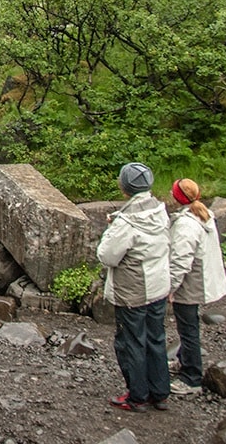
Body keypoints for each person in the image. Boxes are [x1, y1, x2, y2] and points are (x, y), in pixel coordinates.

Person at [96, 162, 172, 413]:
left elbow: (107, 256)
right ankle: (159, 393)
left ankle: (137, 395)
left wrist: (110, 230)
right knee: (156, 338)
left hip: (133, 291)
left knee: (131, 342)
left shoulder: (126, 223)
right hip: (159, 285)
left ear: (124, 188)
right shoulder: (161, 211)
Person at [167, 178, 226, 397]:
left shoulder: (186, 224)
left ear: (178, 197)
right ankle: (184, 361)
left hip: (191, 284)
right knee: (189, 325)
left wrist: (169, 287)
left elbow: (181, 260)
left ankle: (192, 378)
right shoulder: (203, 214)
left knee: (188, 329)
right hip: (201, 280)